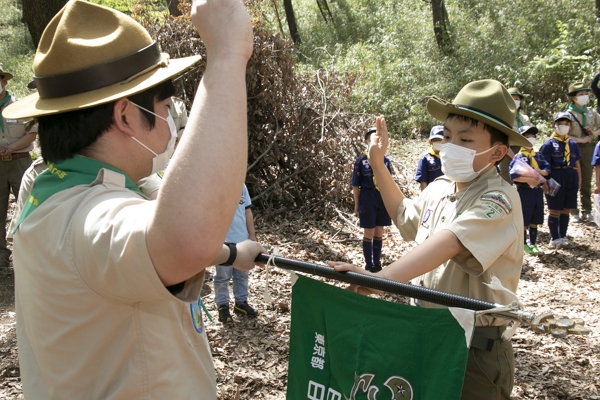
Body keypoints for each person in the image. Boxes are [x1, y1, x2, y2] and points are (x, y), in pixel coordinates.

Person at [2, 0, 265, 398]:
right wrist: (228, 54)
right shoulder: (86, 217)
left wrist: (229, 254)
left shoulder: (46, 187)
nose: (170, 122)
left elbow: (144, 229)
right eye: (163, 107)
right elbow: (183, 238)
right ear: (126, 117)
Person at [332, 79, 532, 400]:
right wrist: (377, 163)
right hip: (424, 336)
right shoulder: (440, 187)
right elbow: (405, 217)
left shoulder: (500, 199)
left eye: (465, 140)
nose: (450, 146)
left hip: (473, 352)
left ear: (496, 152)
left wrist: (381, 279)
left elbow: (452, 241)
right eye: (448, 136)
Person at [0, 67, 37, 269]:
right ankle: (1, 259)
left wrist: (11, 147)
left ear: (4, 81)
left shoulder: (19, 107)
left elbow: (32, 133)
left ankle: (29, 257)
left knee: (29, 208)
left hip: (20, 162)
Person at [214, 184, 259, 323]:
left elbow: (247, 212)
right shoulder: (215, 186)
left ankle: (241, 302)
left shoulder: (242, 187)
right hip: (223, 242)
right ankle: (223, 306)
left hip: (242, 240)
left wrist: (252, 235)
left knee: (242, 275)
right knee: (222, 277)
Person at [352, 127, 393, 272]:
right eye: (371, 140)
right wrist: (357, 204)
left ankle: (377, 263)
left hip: (381, 198)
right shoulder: (361, 161)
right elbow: (356, 185)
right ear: (365, 142)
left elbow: (389, 182)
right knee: (368, 232)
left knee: (379, 232)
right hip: (367, 197)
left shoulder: (386, 161)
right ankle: (369, 264)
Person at [539, 112, 582, 248]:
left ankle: (563, 236)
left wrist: (579, 178)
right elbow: (543, 165)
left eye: (566, 123)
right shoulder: (548, 145)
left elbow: (577, 162)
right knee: (555, 208)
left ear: (570, 126)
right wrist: (544, 182)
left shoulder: (573, 144)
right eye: (560, 123)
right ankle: (554, 237)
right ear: (554, 126)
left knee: (566, 208)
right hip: (555, 176)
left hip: (571, 176)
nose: (564, 126)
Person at [508, 126, 550, 255]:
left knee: (535, 217)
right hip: (525, 192)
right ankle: (523, 243)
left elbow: (547, 170)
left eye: (533, 136)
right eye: (527, 136)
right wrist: (528, 179)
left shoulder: (539, 156)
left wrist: (540, 172)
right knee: (525, 216)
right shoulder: (519, 157)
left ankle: (533, 242)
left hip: (537, 191)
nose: (530, 139)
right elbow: (513, 176)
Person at [565, 81, 600, 222]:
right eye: (581, 94)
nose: (585, 96)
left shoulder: (591, 112)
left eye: (586, 94)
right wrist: (581, 140)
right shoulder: (568, 114)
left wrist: (594, 133)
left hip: (588, 149)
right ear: (573, 97)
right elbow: (563, 134)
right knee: (573, 180)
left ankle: (586, 209)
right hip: (573, 148)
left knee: (586, 180)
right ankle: (574, 211)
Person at [498, 87, 531, 183]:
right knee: (506, 182)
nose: (515, 101)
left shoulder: (524, 118)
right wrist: (515, 157)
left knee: (524, 182)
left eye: (517, 99)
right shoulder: (503, 118)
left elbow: (530, 137)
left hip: (523, 152)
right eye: (512, 98)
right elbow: (502, 139)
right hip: (507, 152)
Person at [415, 125, 444, 191]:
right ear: (430, 141)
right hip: (432, 194)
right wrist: (424, 199)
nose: (439, 142)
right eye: (436, 140)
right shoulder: (425, 159)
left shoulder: (449, 157)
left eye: (441, 140)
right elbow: (423, 181)